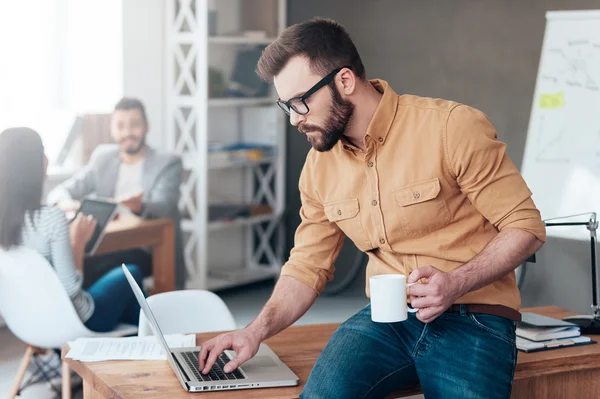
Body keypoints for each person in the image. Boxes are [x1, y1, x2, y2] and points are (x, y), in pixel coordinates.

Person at [198, 18, 546, 398]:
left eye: (301, 102)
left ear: (344, 81)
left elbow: (525, 228)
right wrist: (254, 331)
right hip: (386, 320)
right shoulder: (319, 167)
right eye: (287, 106)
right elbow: (306, 266)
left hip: (474, 314)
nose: (295, 119)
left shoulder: (451, 128)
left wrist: (455, 283)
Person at [0, 127, 144, 332]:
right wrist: (77, 242)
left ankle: (141, 343)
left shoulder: (5, 219)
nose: (47, 158)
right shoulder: (51, 218)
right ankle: (161, 343)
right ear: (32, 164)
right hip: (78, 321)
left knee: (129, 306)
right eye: (42, 152)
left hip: (30, 323)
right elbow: (71, 289)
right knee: (131, 272)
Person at [47, 97, 185, 289]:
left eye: (135, 125)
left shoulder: (167, 162)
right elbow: (60, 191)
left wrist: (140, 206)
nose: (127, 132)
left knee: (85, 266)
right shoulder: (103, 157)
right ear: (112, 130)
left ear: (147, 127)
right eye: (120, 126)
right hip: (105, 243)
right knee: (63, 258)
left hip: (146, 248)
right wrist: (64, 202)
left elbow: (165, 205)